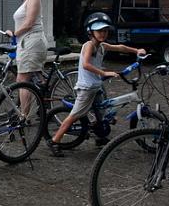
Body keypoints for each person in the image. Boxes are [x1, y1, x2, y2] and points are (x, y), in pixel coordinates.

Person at [47, 12, 146, 157]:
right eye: (99, 31)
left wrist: (136, 50)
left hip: (96, 86)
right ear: (90, 32)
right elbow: (86, 64)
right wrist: (103, 73)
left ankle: (100, 136)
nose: (103, 34)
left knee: (101, 111)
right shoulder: (89, 46)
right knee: (75, 115)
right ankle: (55, 141)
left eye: (105, 31)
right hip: (86, 88)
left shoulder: (102, 46)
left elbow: (120, 48)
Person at [4, 0, 48, 115]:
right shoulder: (28, 0)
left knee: (22, 80)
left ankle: (24, 117)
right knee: (34, 78)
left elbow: (29, 23)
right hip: (29, 42)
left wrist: (13, 34)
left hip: (31, 42)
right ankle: (43, 108)